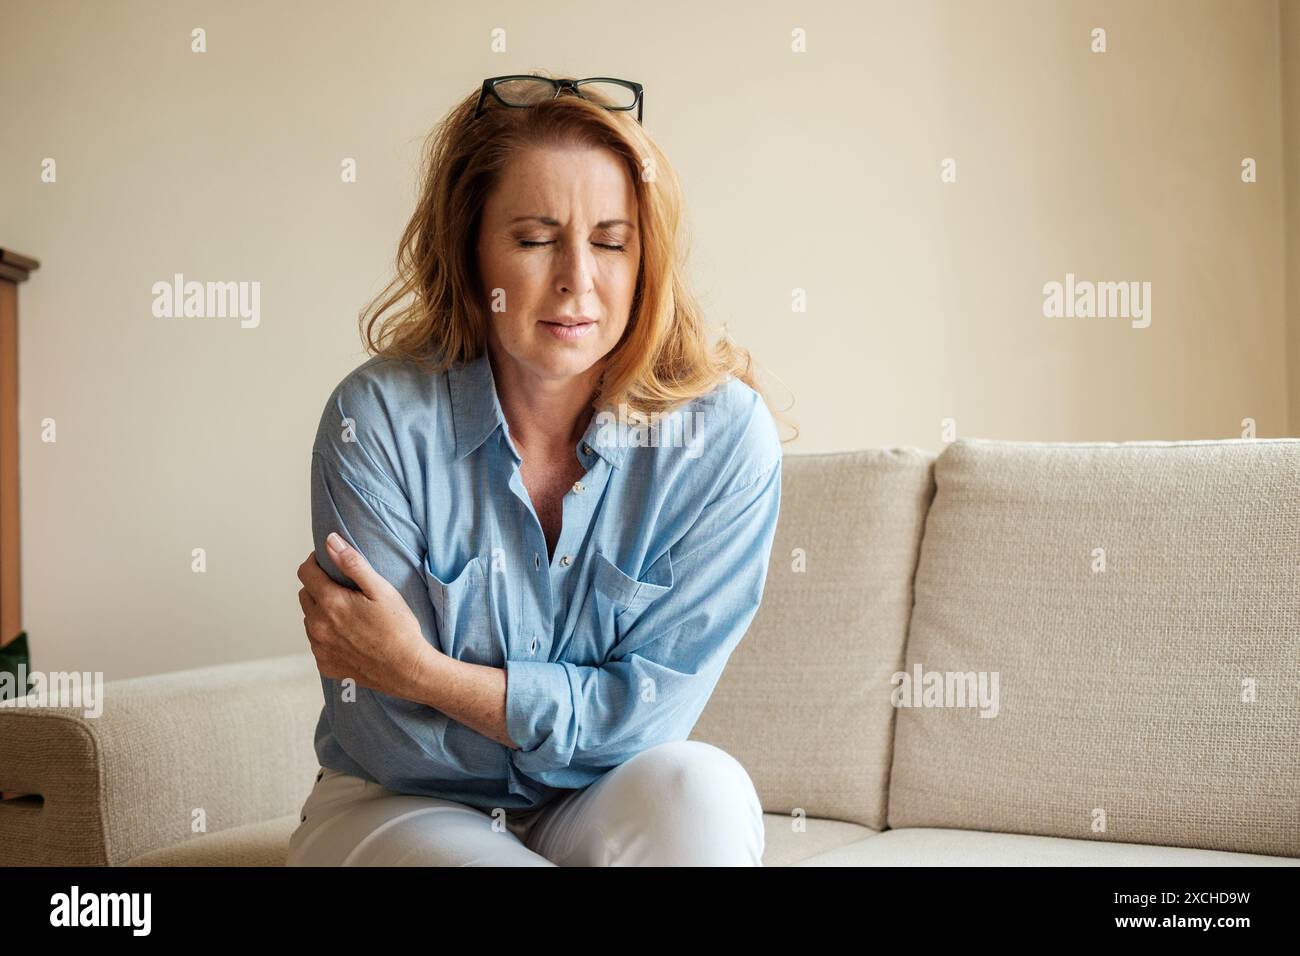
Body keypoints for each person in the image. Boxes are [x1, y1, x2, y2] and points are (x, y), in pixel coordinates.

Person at [290, 72, 788, 865]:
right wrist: (574, 711)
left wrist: (426, 671)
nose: (577, 281)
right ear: (469, 246)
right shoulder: (376, 421)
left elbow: (650, 723)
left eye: (611, 242)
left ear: (645, 258)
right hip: (402, 802)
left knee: (706, 792)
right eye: (534, 239)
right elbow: (391, 734)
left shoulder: (723, 439)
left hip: (602, 794)